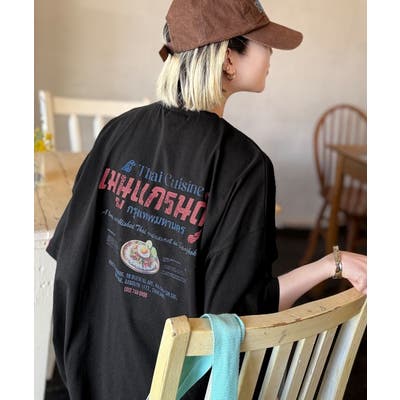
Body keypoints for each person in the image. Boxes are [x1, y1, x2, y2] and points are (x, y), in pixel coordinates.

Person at [46, 1, 367, 399]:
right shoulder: (245, 167)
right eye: (264, 42)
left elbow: (70, 258)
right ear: (228, 59)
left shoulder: (117, 132)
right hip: (176, 388)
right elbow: (243, 317)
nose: (271, 53)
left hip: (87, 379)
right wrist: (331, 263)